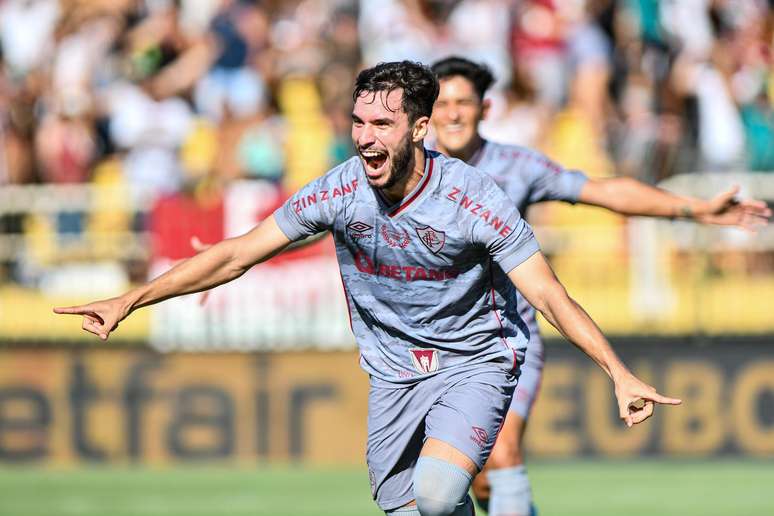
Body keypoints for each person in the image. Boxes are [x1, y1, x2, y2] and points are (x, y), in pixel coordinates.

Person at [54, 61, 681, 516]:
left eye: (382, 123)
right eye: (357, 122)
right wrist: (130, 299)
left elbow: (548, 295)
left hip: (476, 361)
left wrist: (617, 372)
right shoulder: (339, 190)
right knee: (411, 509)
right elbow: (238, 254)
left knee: (437, 494)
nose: (364, 137)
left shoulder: (474, 198)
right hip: (392, 373)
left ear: (419, 129)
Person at [429, 55, 772, 516]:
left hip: (502, 341)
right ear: (425, 113)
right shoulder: (404, 174)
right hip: (430, 345)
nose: (453, 113)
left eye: (463, 102)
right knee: (459, 485)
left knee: (502, 453)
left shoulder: (516, 166)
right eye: (442, 102)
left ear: (485, 109)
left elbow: (606, 192)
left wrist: (693, 209)